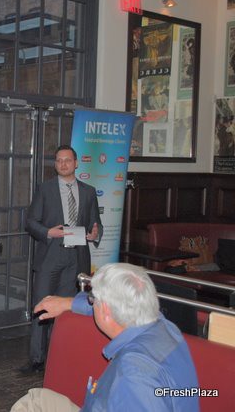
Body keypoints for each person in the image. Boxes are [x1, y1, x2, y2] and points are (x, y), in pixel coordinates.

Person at [11, 263, 199, 412]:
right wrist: (69, 303)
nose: (91, 304)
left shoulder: (135, 376)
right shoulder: (164, 326)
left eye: (93, 299)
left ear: (106, 311)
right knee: (36, 401)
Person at [23, 144, 102, 373]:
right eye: (58, 160)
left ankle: (61, 357)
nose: (63, 164)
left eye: (67, 160)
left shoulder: (89, 191)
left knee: (67, 309)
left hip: (76, 257)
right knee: (42, 306)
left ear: (76, 163)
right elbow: (30, 222)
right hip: (51, 255)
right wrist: (48, 232)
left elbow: (96, 224)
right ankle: (37, 360)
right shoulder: (45, 189)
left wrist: (95, 234)